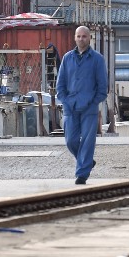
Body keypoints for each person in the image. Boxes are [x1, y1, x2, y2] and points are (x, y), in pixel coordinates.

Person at [55, 25, 108, 185]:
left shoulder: (97, 59)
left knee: (87, 140)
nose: (81, 39)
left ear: (89, 38)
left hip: (89, 107)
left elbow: (102, 86)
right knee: (70, 140)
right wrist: (64, 99)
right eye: (78, 36)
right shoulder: (67, 58)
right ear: (74, 38)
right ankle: (87, 162)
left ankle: (82, 174)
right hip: (70, 106)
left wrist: (94, 101)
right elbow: (60, 83)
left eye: (84, 36)